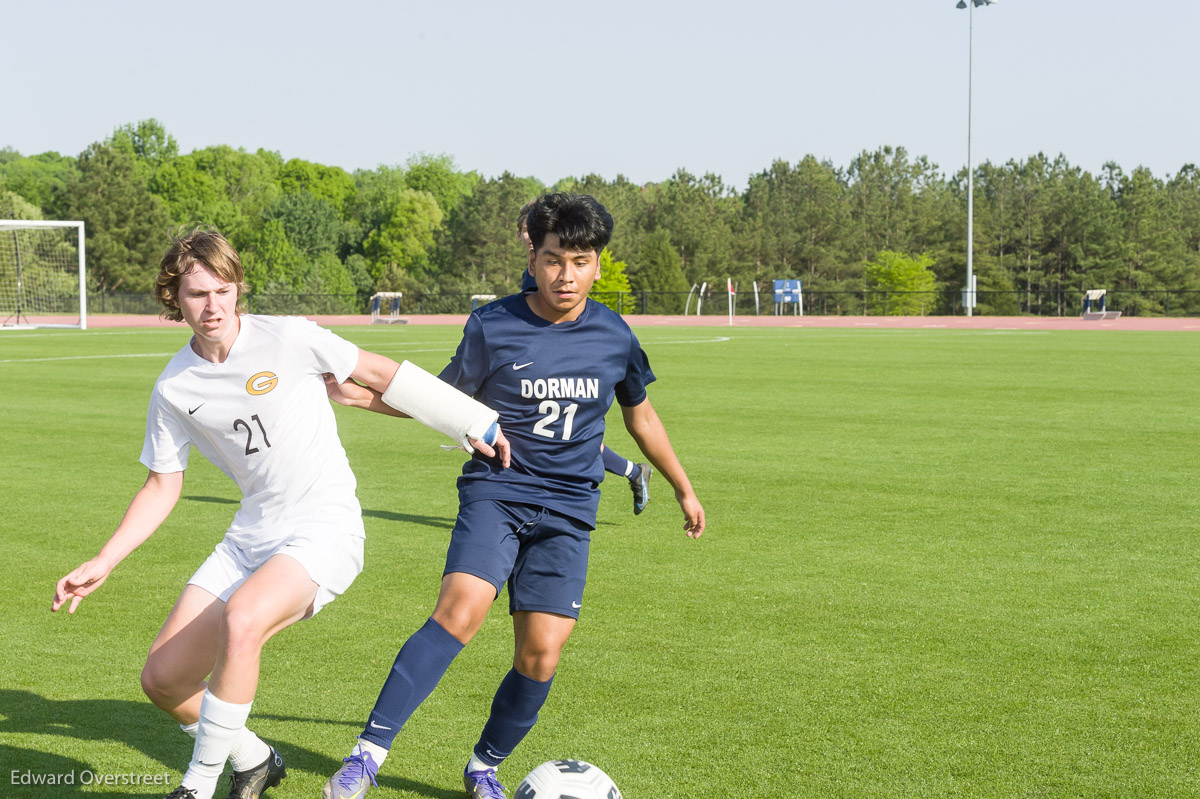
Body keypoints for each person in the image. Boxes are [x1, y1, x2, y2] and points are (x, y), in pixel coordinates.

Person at [51, 228, 509, 799]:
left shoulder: (290, 337)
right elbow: (163, 485)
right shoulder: (174, 387)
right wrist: (105, 558)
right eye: (197, 294)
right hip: (250, 537)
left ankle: (197, 787)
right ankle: (256, 759)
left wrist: (470, 418)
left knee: (244, 620)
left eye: (223, 289)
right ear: (175, 298)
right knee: (164, 680)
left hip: (324, 529)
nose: (213, 305)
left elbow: (380, 374)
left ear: (238, 286)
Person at [321, 192, 705, 799]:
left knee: (542, 655)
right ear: (534, 257)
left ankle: (484, 768)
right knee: (460, 610)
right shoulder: (493, 325)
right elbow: (442, 399)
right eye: (554, 259)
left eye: (580, 261)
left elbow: (643, 419)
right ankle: (366, 756)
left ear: (598, 264)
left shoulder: (614, 334)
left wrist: (684, 489)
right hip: (497, 492)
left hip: (572, 509)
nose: (566, 275)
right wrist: (358, 396)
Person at [515, 201, 653, 515]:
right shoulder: (532, 280)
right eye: (523, 231)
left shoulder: (550, 281)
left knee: (568, 434)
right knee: (562, 432)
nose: (524, 235)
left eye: (527, 229)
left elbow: (644, 419)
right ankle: (633, 471)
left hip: (555, 379)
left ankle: (633, 472)